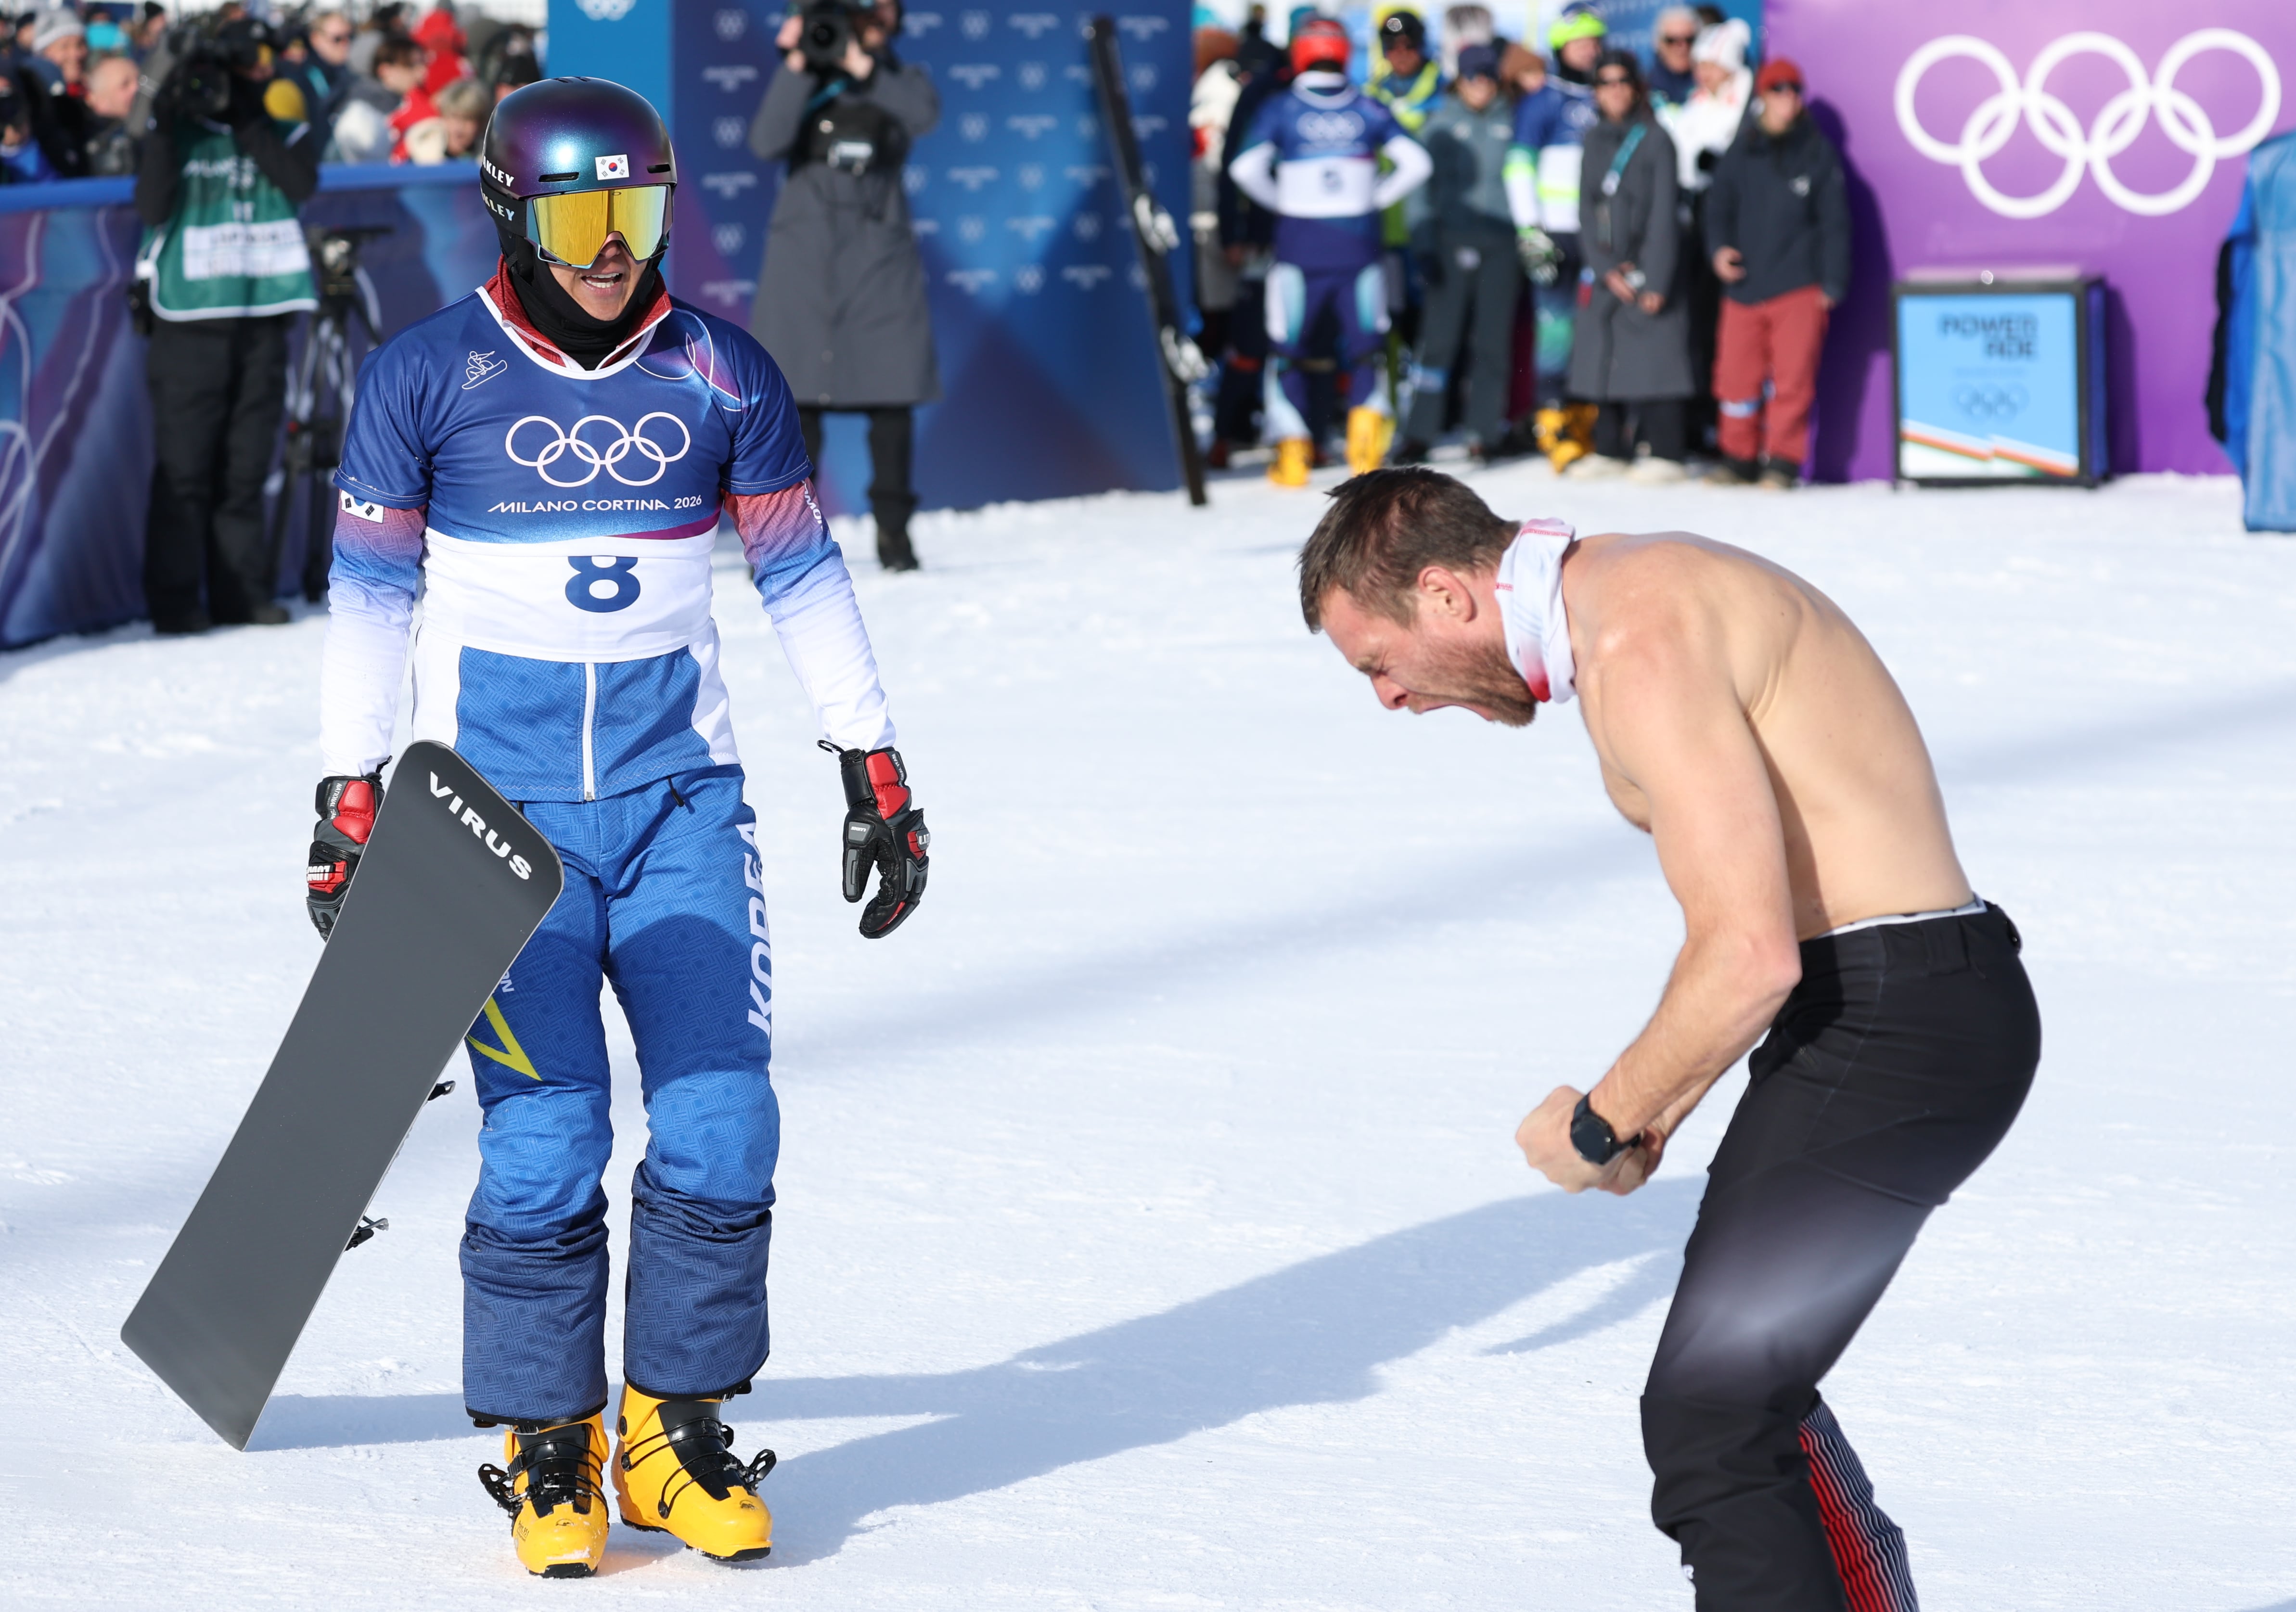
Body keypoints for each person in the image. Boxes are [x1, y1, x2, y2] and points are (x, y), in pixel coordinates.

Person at [310, 76, 930, 1579]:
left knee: (722, 1118)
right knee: (547, 1135)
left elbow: (799, 576)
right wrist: (349, 794)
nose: (610, 248)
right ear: (513, 214)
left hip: (679, 811)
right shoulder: (425, 378)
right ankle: (546, 1441)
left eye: (637, 213)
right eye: (582, 216)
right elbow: (370, 604)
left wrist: (875, 763)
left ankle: (671, 1427)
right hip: (488, 831)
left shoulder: (722, 374)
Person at [1296, 466, 2038, 1612]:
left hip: (1900, 1014)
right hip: (1898, 1002)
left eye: (1376, 662)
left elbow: (1747, 953)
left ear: (1445, 595)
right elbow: (1751, 950)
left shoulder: (1636, 632)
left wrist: (1601, 1115)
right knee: (1736, 1400)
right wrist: (1652, 1107)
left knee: (1715, 1416)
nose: (1388, 699)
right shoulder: (1630, 592)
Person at [133, 14, 319, 633]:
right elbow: (152, 205)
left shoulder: (268, 121)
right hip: (188, 321)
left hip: (261, 312)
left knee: (246, 465)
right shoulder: (175, 129)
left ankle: (241, 592)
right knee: (185, 467)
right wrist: (167, 113)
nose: (246, 76)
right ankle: (176, 601)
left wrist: (246, 114)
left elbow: (300, 183)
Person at [748, 0, 939, 571]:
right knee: (797, 408)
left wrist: (866, 68)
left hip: (878, 264)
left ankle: (895, 539)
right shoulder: (804, 80)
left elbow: (923, 116)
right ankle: (790, 542)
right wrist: (800, 61)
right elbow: (766, 141)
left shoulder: (898, 79)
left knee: (892, 403)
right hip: (805, 264)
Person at [1227, 17, 1430, 485]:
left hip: (1299, 246)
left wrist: (1283, 201)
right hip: (1359, 245)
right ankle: (1365, 452)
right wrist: (1374, 197)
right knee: (1367, 350)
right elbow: (1418, 163)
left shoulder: (1281, 107)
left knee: (1288, 349)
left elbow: (1243, 168)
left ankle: (1293, 455)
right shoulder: (1367, 107)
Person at [1704, 57, 1849, 488]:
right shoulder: (1742, 148)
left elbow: (1836, 222)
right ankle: (1738, 458)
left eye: (1794, 90)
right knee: (1735, 381)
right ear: (1763, 96)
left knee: (1792, 382)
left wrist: (1833, 281)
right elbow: (1718, 207)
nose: (1788, 98)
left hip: (1798, 286)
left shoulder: (1816, 151)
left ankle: (1782, 463)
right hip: (1745, 285)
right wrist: (1717, 250)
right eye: (1778, 89)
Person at [1565, 50, 1692, 482]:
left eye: (1622, 81)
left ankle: (1667, 451)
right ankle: (1610, 447)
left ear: (1636, 87)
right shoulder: (1592, 138)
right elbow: (1584, 208)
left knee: (1656, 356)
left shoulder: (1656, 139)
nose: (1614, 90)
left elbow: (1663, 216)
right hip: (1608, 267)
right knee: (1603, 352)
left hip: (1646, 264)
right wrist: (1603, 267)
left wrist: (1655, 277)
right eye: (1605, 82)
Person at [1393, 42, 1518, 464]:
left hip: (1501, 245)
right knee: (1438, 343)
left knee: (1492, 344)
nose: (1480, 85)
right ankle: (1419, 432)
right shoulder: (1439, 125)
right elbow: (1419, 193)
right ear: (1459, 81)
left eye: (1486, 76)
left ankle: (1483, 431)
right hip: (1449, 244)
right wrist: (1423, 243)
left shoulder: (1512, 120)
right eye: (1472, 77)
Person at [1503, 11, 1600, 471]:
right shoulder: (1544, 99)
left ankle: (1588, 420)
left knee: (1594, 328)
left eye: (1594, 41)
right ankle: (1551, 421)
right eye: (1580, 41)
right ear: (1561, 47)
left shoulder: (1609, 94)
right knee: (1555, 328)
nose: (1590, 49)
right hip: (1555, 232)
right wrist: (1529, 229)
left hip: (1600, 235)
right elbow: (1518, 166)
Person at [81, 47, 136, 174]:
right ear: (101, 101)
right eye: (125, 85)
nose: (137, 89)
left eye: (140, 80)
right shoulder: (95, 143)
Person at [1644, 4, 1699, 108]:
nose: (1682, 47)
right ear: (1659, 44)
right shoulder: (1645, 89)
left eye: (1689, 40)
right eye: (1672, 41)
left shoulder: (1710, 84)